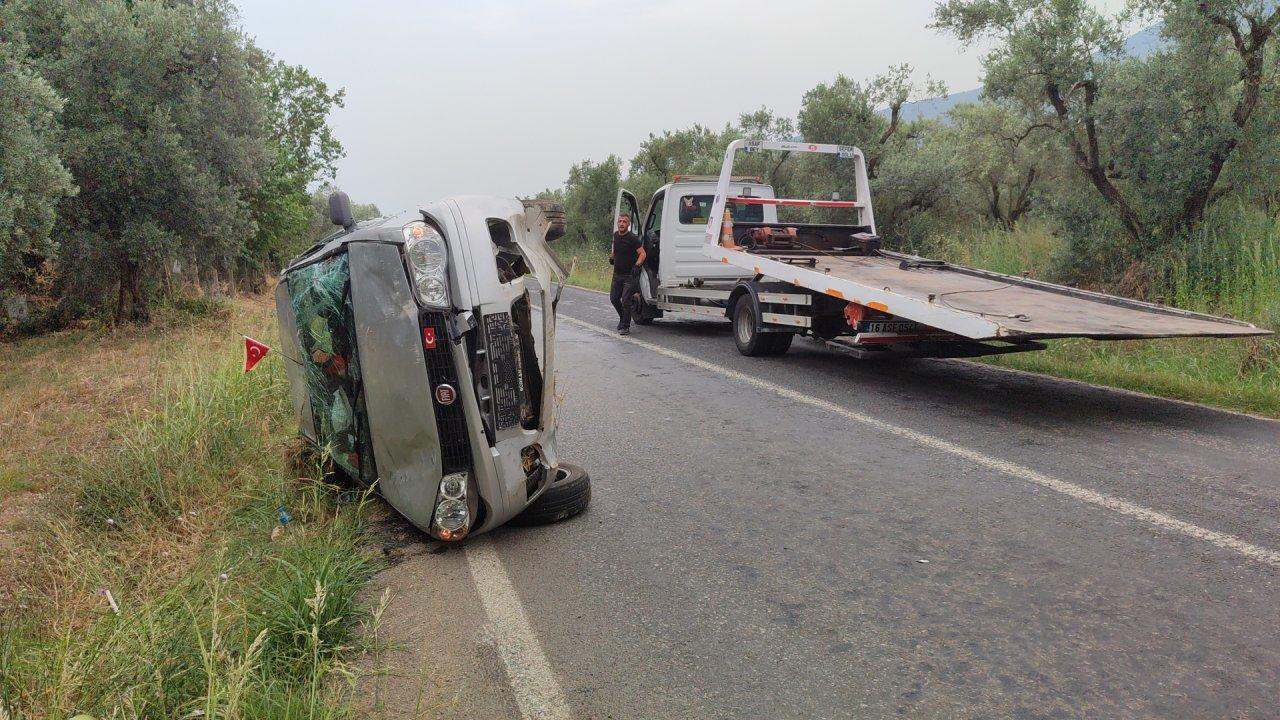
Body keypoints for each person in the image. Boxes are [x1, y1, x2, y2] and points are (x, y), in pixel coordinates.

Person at [608, 213, 646, 335]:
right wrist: (612, 257)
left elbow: (643, 254)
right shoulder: (615, 236)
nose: (622, 224)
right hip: (617, 274)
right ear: (618, 223)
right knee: (614, 299)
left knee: (625, 300)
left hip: (629, 276)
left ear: (628, 224)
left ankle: (625, 326)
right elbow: (616, 249)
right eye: (620, 221)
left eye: (624, 222)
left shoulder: (633, 238)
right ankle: (623, 318)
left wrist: (637, 265)